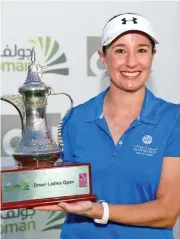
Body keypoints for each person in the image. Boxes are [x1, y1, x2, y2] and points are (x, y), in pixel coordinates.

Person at [34, 13, 180, 239]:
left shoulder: (173, 119)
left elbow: (167, 212)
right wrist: (26, 184)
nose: (131, 62)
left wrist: (96, 210)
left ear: (153, 56)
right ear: (103, 58)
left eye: (142, 50)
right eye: (120, 50)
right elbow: (67, 186)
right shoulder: (76, 117)